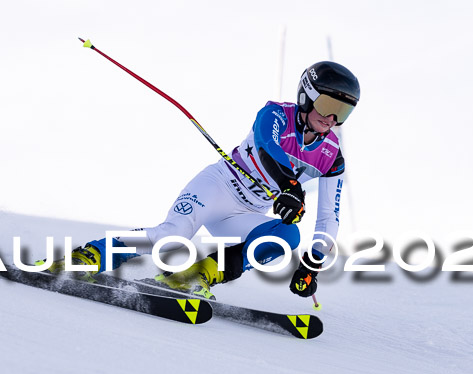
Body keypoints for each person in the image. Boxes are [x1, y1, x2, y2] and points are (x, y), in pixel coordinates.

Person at [45, 61, 360, 300]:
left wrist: (313, 262)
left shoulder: (332, 155)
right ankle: (88, 256)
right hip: (218, 187)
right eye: (328, 105)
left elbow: (328, 217)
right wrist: (289, 186)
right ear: (306, 95)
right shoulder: (276, 114)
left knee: (287, 237)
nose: (331, 118)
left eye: (342, 112)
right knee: (172, 235)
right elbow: (268, 147)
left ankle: (194, 278)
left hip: (246, 214)